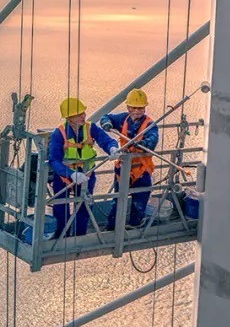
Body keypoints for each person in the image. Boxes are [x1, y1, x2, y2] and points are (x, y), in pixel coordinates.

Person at [48, 97, 119, 238]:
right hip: (64, 176)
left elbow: (105, 140)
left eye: (83, 113)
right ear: (69, 118)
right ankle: (62, 236)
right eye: (78, 114)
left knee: (84, 206)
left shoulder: (90, 128)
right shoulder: (59, 133)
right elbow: (54, 160)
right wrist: (70, 173)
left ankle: (79, 236)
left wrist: (112, 148)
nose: (83, 116)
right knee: (61, 207)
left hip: (87, 174)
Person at [100, 88, 159, 229]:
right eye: (134, 108)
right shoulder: (123, 119)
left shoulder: (149, 125)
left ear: (144, 108)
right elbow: (105, 117)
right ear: (128, 107)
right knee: (118, 200)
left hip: (141, 170)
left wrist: (142, 144)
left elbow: (153, 140)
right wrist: (106, 123)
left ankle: (135, 225)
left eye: (140, 108)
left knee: (140, 200)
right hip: (123, 168)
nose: (137, 111)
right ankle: (112, 227)